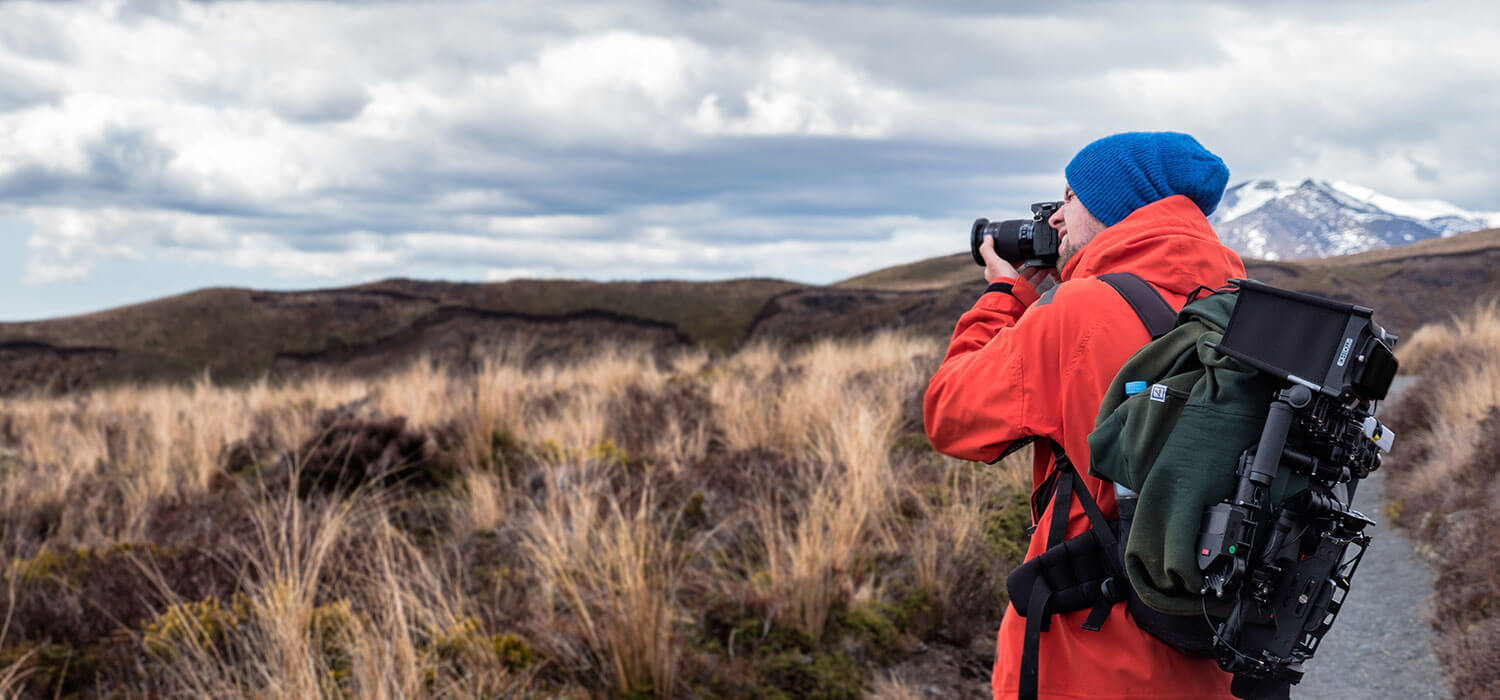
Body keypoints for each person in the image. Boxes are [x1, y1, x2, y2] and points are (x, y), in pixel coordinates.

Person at [924, 132, 1247, 699]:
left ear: (1116, 204)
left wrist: (1004, 296)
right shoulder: (1245, 311)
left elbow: (950, 415)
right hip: (1219, 650)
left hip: (1090, 656)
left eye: (1071, 197)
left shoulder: (1079, 311)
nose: (1055, 218)